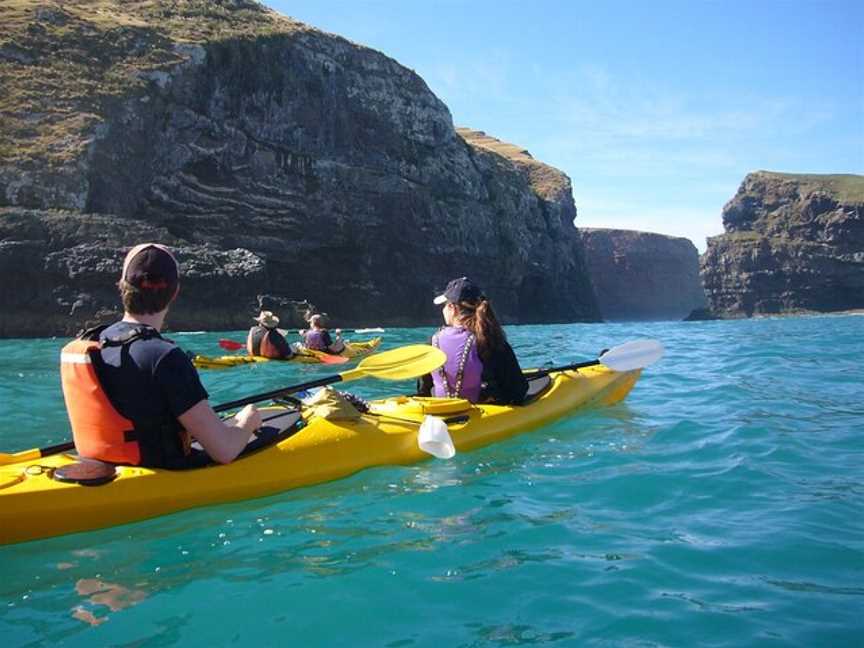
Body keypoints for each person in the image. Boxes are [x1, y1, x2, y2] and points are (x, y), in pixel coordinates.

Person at [60, 243, 261, 468]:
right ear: (174, 292)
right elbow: (224, 451)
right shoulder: (164, 357)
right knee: (244, 419)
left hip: (97, 463)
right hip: (159, 472)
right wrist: (248, 420)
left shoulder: (94, 341)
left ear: (122, 286)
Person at [418, 277, 528, 405]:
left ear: (452, 308)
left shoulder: (432, 342)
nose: (443, 310)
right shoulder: (491, 341)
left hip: (440, 415)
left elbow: (422, 392)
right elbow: (519, 391)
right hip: (485, 416)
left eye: (444, 306)